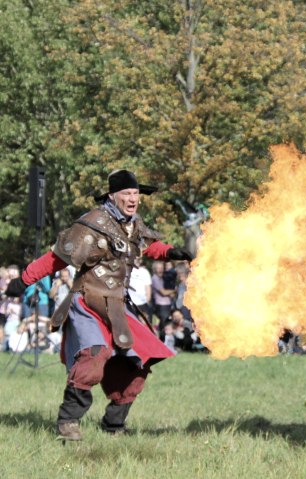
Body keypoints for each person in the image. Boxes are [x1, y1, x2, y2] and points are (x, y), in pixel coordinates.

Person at [6, 169, 192, 441]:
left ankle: (113, 423)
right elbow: (57, 258)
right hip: (88, 301)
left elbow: (147, 246)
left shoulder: (133, 224)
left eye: (136, 194)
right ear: (113, 196)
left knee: (138, 362)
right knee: (95, 355)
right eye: (127, 194)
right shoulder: (93, 223)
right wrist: (24, 280)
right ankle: (68, 423)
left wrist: (172, 253)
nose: (133, 199)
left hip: (117, 305)